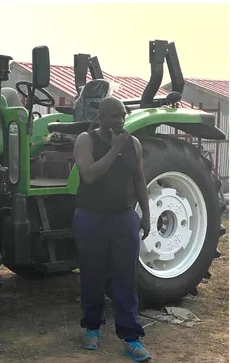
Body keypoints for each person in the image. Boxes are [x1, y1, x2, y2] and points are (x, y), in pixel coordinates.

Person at [72, 97, 152, 362]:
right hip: (91, 218)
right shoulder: (86, 140)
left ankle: (131, 337)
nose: (120, 121)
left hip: (124, 219)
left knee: (126, 279)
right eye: (114, 116)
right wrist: (113, 149)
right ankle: (92, 328)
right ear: (101, 116)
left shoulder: (134, 143)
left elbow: (139, 179)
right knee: (92, 275)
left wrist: (146, 214)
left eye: (123, 116)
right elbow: (90, 176)